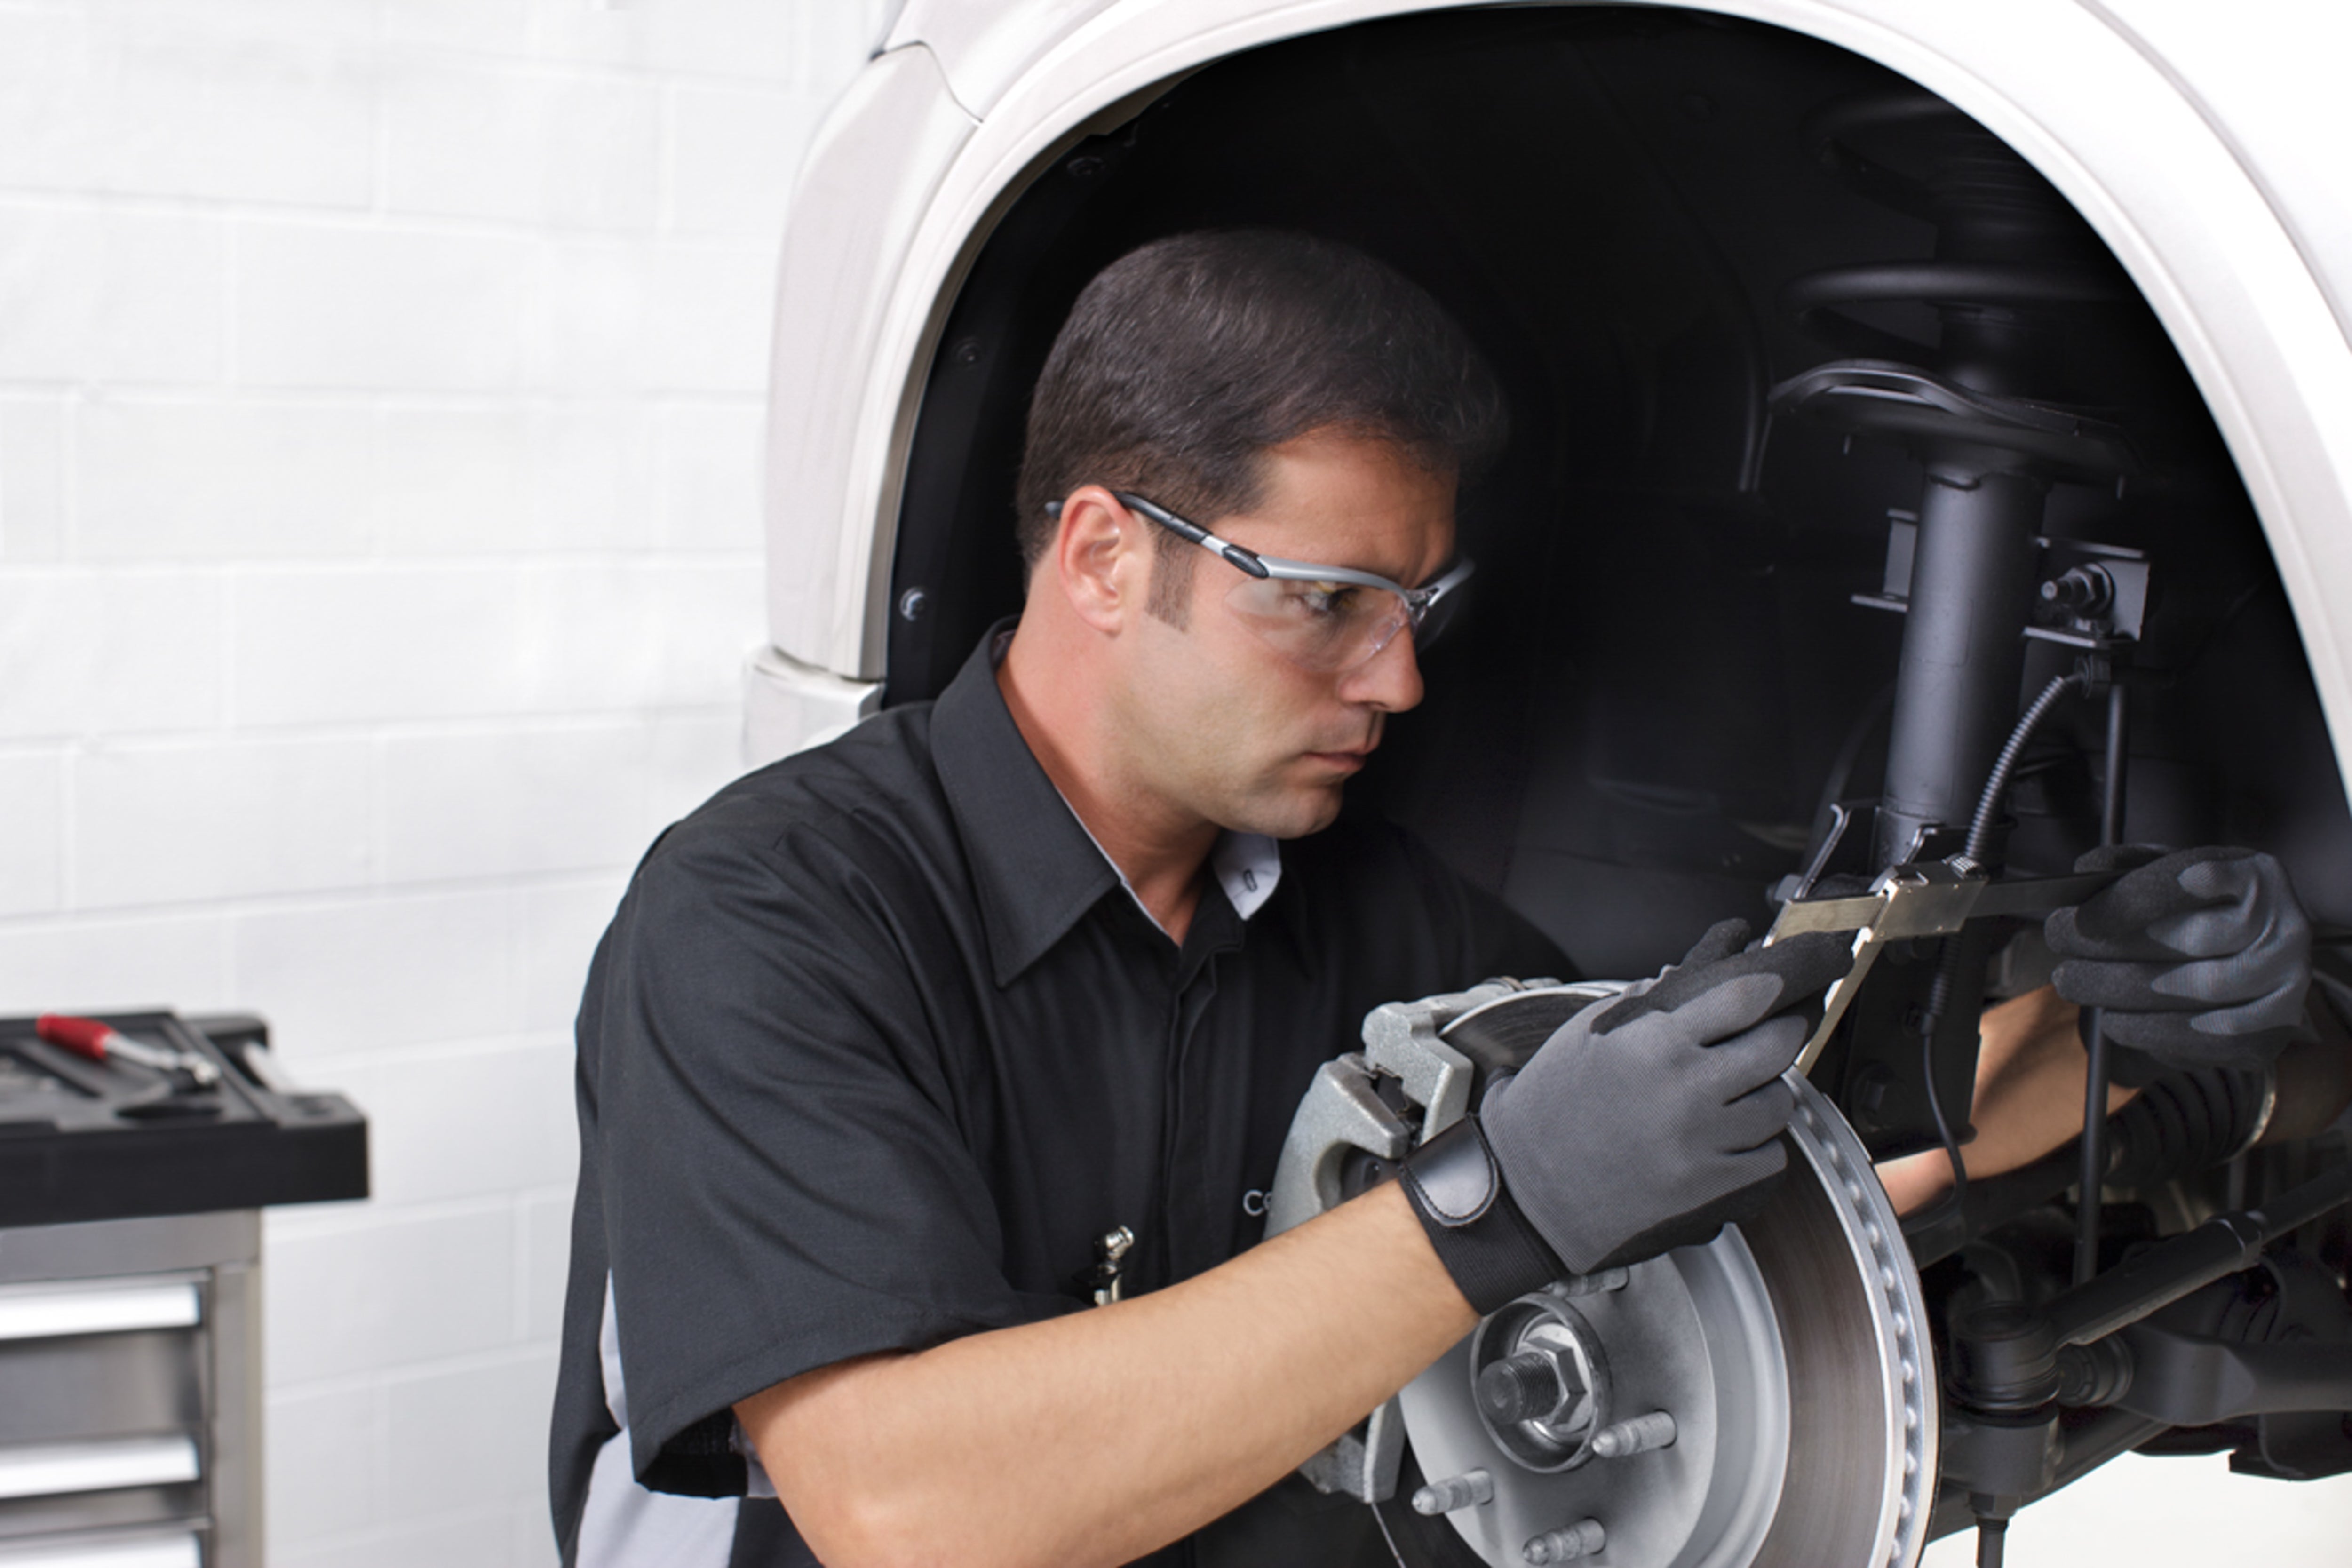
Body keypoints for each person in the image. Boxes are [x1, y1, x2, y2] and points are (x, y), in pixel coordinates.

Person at [549, 230, 2311, 1568]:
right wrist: (1489, 1209)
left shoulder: (1383, 920)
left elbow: (1785, 1173)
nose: (1396, 680)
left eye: (1419, 608)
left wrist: (2113, 1028)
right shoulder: (766, 918)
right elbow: (910, 1514)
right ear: (1103, 556)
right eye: (1325, 601)